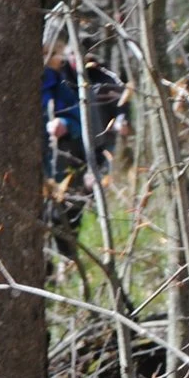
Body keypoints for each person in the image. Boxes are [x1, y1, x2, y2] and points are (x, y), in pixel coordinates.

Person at [41, 40, 128, 258]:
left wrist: (67, 125)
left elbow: (92, 126)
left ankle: (64, 264)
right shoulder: (54, 78)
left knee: (66, 216)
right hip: (42, 164)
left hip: (72, 160)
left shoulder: (102, 81)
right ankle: (51, 268)